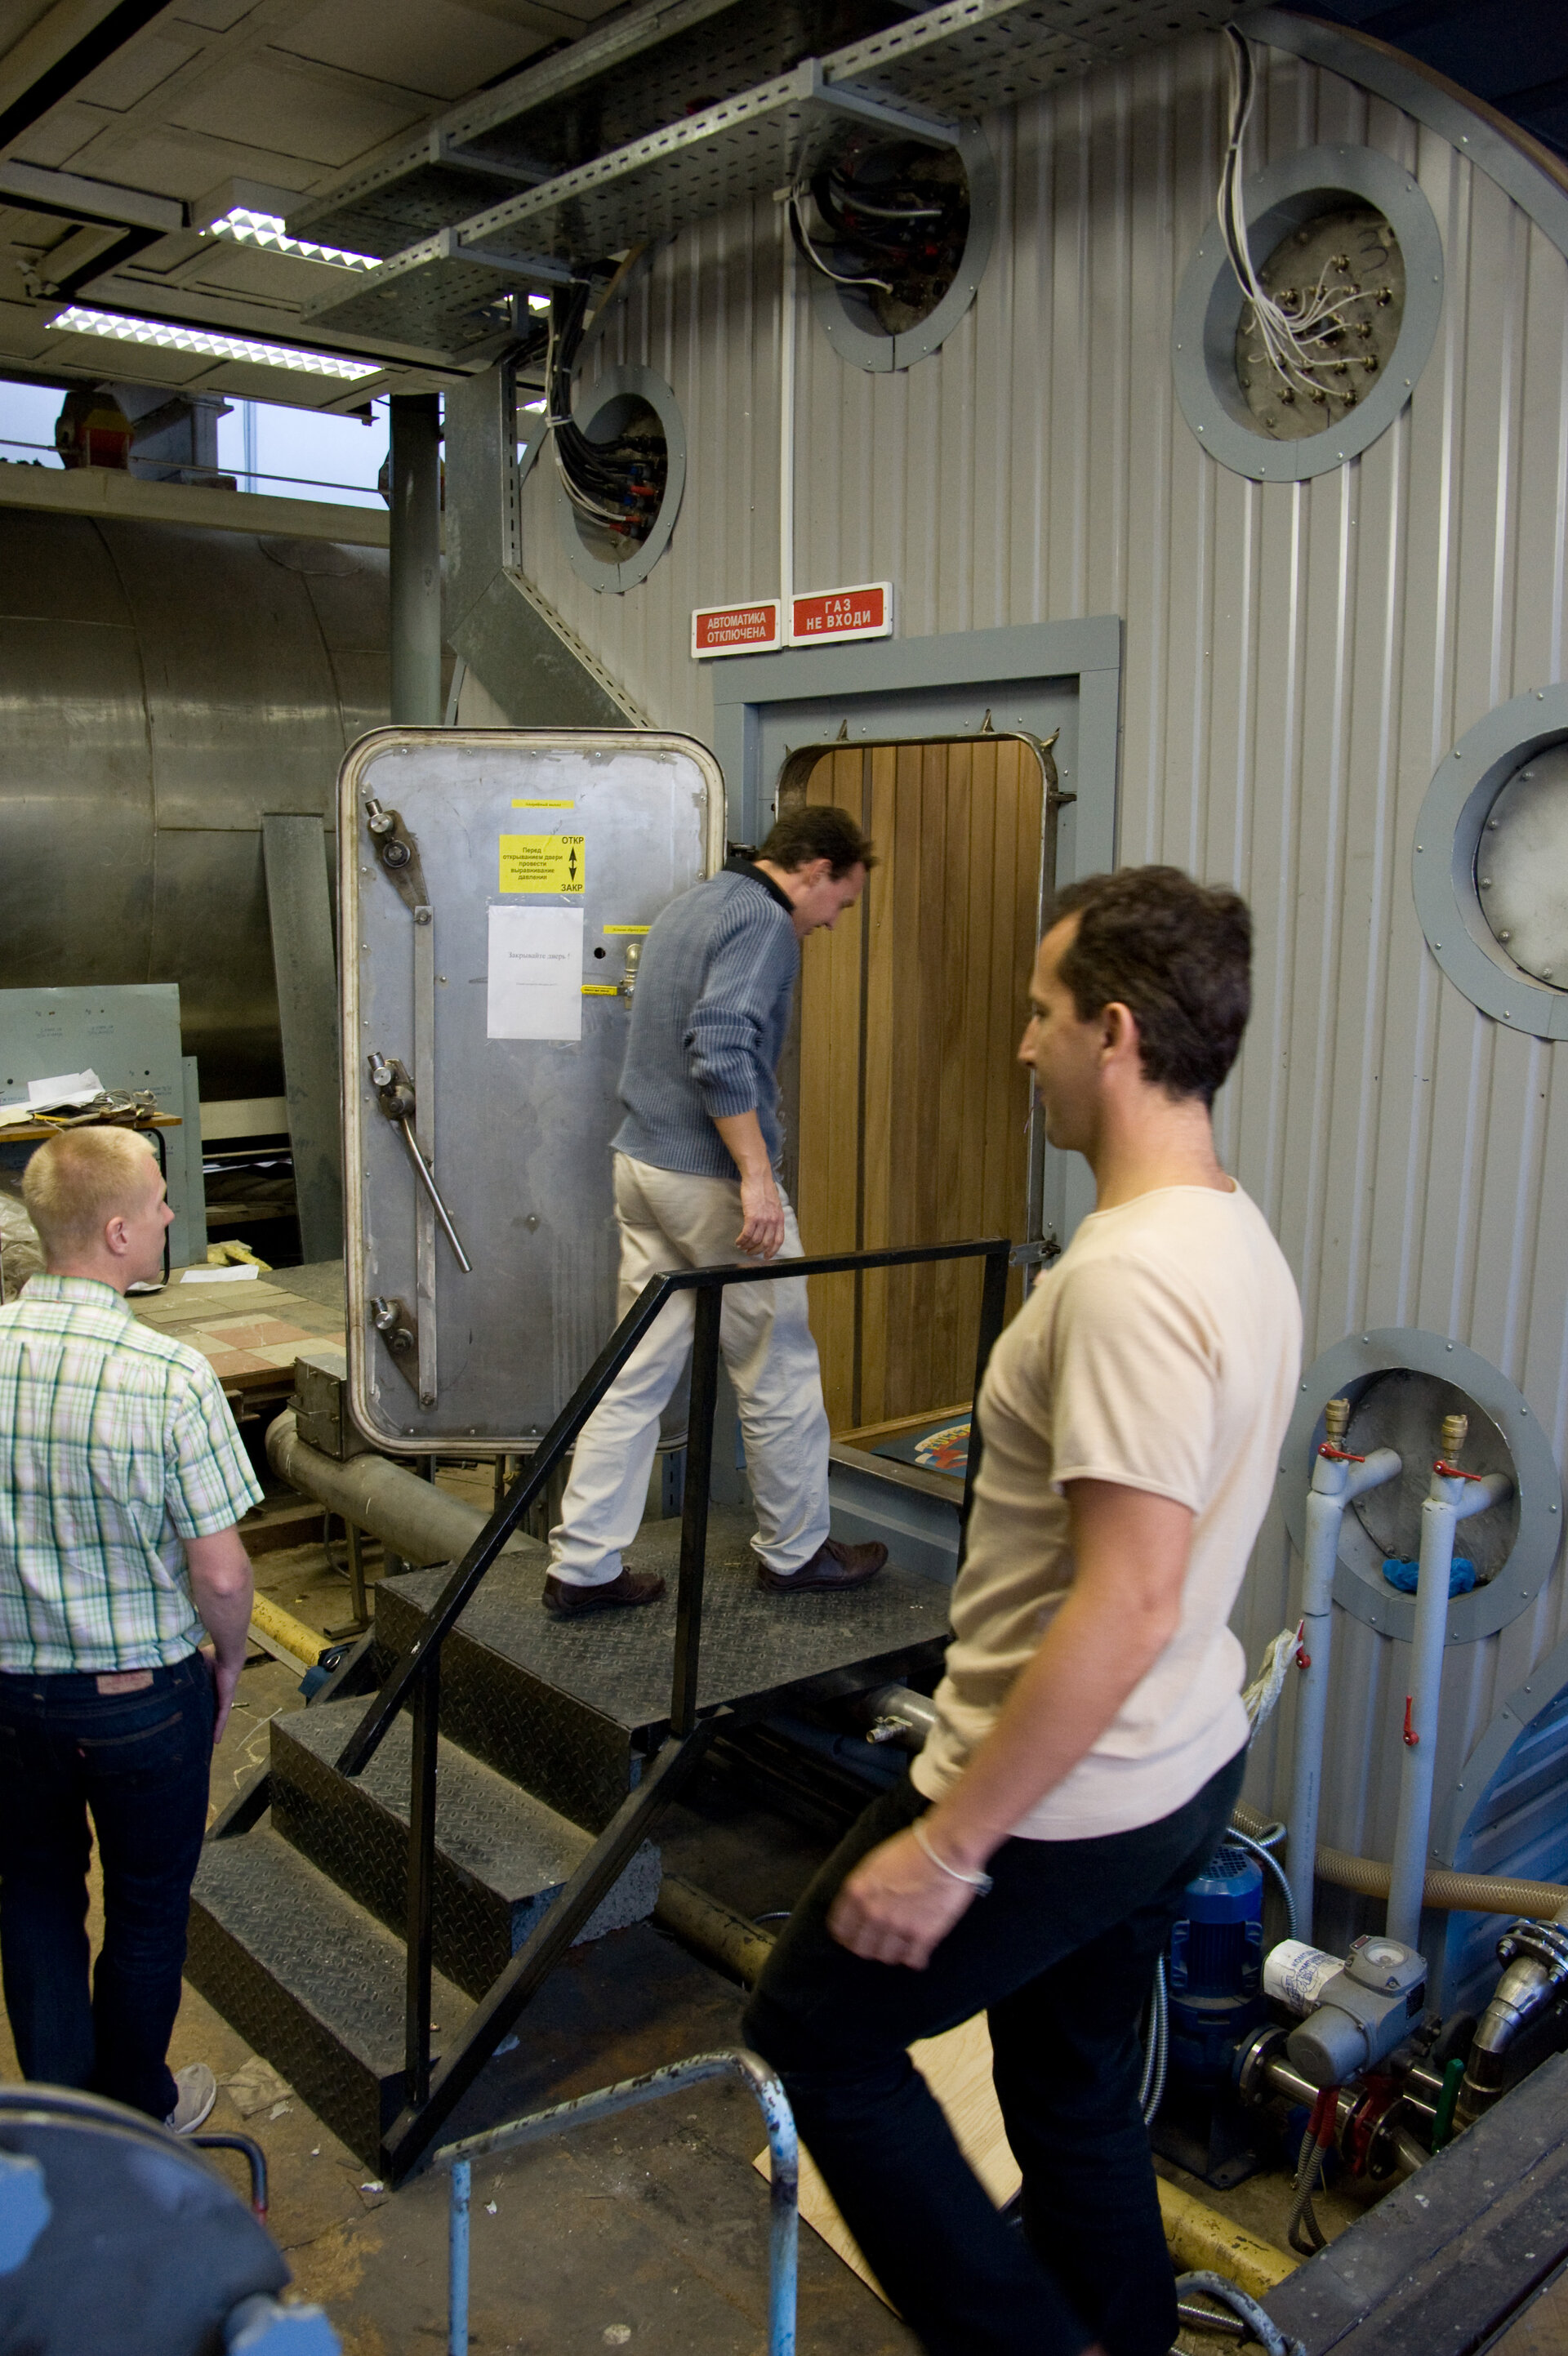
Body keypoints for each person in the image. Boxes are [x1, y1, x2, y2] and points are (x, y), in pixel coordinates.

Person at [744, 865, 1303, 2356]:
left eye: (1039, 1016)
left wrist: (948, 1846)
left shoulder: (1128, 1281)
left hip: (1065, 1805)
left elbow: (1125, 1605)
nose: (1021, 1047)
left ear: (1113, 1033)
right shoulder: (1234, 1231)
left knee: (816, 2040)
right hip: (1180, 1765)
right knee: (1067, 2088)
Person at [544, 804, 888, 1615]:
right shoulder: (763, 922)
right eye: (840, 900)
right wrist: (756, 1177)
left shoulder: (692, 905)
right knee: (776, 1360)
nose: (833, 921)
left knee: (634, 1375)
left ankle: (584, 1564)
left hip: (642, 1166)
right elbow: (719, 1040)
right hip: (708, 1183)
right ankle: (797, 1551)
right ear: (814, 870)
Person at [0, 1127, 261, 2132]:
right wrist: (230, 1659)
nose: (165, 1214)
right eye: (156, 1201)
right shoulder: (170, 1375)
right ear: (116, 1231)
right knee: (147, 1908)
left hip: (10, 1702)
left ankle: (67, 2128)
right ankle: (139, 2106)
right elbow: (223, 1570)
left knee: (32, 1893)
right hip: (138, 1702)